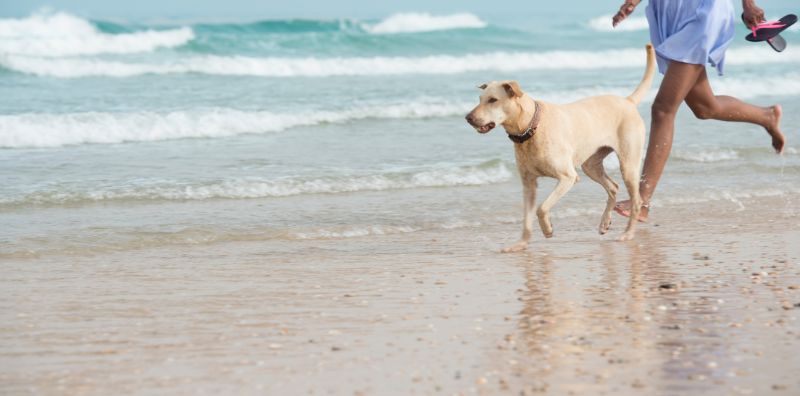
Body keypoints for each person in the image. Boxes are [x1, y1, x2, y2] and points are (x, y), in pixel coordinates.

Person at [611, 0, 785, 221]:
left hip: (703, 13)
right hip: (670, 12)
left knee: (663, 109)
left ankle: (642, 200)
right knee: (704, 107)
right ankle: (766, 117)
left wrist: (748, 4)